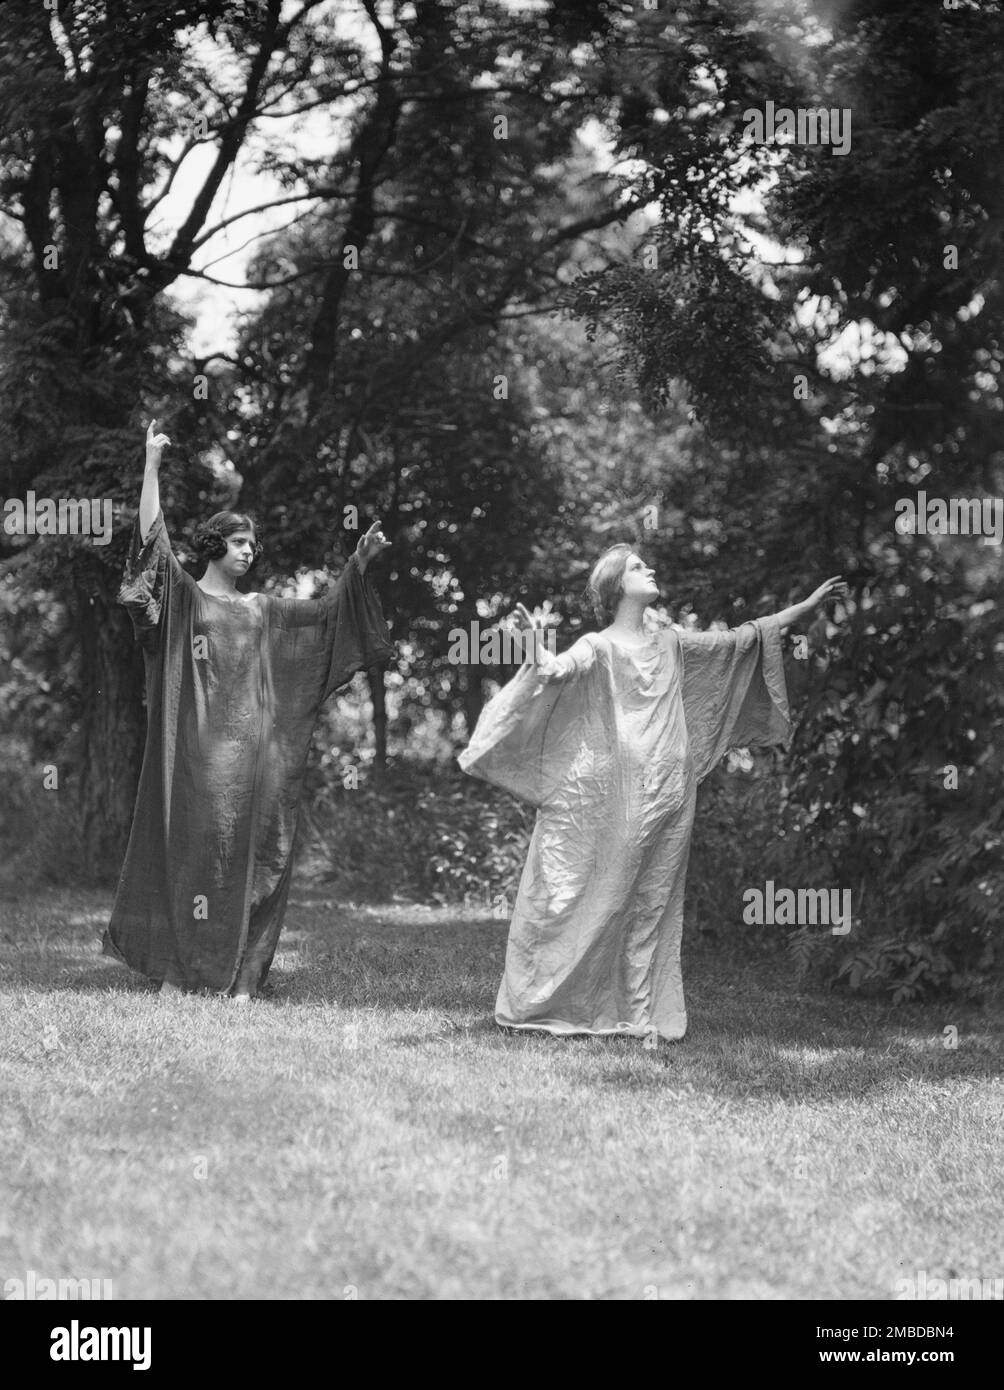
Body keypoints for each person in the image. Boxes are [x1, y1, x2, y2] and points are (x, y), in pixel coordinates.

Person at [459, 543, 845, 1042]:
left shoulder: (671, 643)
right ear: (618, 584)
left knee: (654, 903)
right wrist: (535, 647)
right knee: (608, 896)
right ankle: (550, 998)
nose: (651, 569)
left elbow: (740, 640)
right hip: (624, 793)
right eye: (639, 567)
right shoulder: (599, 645)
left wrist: (805, 608)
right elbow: (557, 670)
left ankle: (640, 1013)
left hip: (675, 790)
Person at [103, 420, 395, 1002]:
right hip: (195, 760)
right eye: (241, 543)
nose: (250, 552)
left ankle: (243, 979)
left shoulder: (265, 611)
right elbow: (152, 547)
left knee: (263, 857)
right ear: (216, 545)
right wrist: (152, 467)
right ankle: (179, 971)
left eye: (253, 546)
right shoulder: (186, 600)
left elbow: (329, 615)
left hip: (258, 761)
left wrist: (358, 563)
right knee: (191, 853)